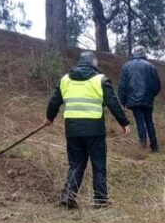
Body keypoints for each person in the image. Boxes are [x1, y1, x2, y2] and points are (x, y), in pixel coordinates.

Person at [45, 51, 131, 209]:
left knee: (76, 164)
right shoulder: (100, 80)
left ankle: (68, 196)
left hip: (72, 130)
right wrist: (124, 122)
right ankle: (100, 201)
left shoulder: (65, 79)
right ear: (94, 63)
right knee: (98, 165)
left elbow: (54, 101)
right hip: (95, 130)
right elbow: (113, 103)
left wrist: (49, 117)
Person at [118, 45, 162, 151]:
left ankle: (143, 145)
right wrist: (151, 95)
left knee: (139, 121)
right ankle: (154, 146)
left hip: (133, 99)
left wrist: (122, 101)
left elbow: (122, 85)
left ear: (134, 52)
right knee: (149, 121)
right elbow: (157, 85)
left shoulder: (126, 66)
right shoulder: (150, 66)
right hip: (147, 99)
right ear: (144, 53)